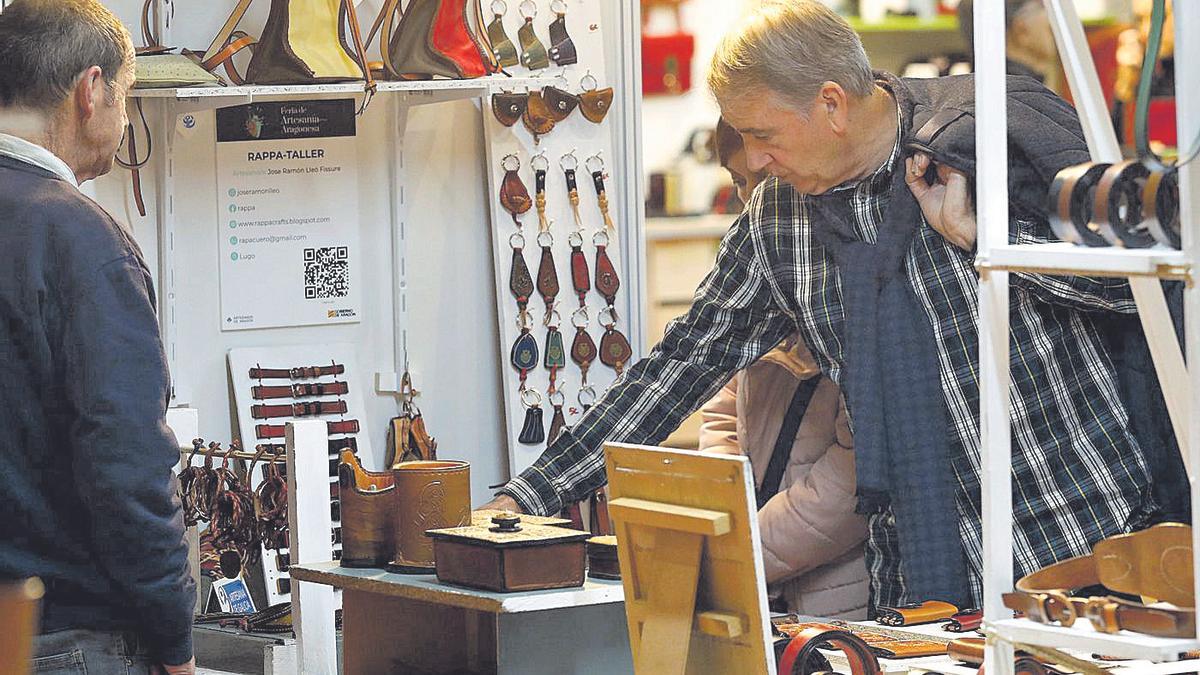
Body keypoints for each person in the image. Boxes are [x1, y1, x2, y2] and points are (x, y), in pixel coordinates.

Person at [486, 0, 1164, 611]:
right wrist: (535, 492)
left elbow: (1139, 291)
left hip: (1080, 542)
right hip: (924, 585)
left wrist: (989, 241)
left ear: (834, 105)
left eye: (762, 134)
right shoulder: (778, 221)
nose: (754, 158)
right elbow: (681, 363)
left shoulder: (980, 147)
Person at [0, 1, 196, 673]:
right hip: (68, 641)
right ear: (91, 90)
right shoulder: (80, 240)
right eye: (126, 95)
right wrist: (176, 640)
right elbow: (126, 467)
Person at [699, 119, 867, 619]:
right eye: (738, 181)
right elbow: (722, 404)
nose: (749, 200)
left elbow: (849, 488)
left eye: (755, 180)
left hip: (836, 584)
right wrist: (724, 498)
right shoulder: (760, 268)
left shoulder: (848, 283)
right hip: (760, 561)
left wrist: (742, 549)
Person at [957, 0, 1059, 83]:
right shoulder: (1017, 95)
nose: (1056, 38)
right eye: (1051, 30)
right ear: (1022, 30)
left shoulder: (988, 88)